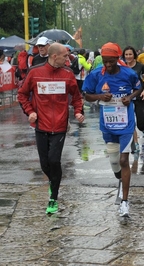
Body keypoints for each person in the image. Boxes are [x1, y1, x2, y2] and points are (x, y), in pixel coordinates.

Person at [18, 43, 85, 214]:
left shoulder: (68, 74)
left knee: (54, 160)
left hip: (60, 125)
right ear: (54, 56)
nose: (67, 59)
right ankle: (52, 181)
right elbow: (22, 94)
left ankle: (53, 199)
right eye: (65, 56)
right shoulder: (35, 72)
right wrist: (30, 112)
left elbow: (77, 97)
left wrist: (78, 112)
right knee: (45, 164)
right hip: (41, 124)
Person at [82, 42, 141, 217]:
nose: (108, 65)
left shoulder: (128, 74)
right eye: (105, 61)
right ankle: (120, 178)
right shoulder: (95, 75)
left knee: (124, 160)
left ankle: (125, 202)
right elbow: (87, 95)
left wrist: (129, 97)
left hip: (126, 124)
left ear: (118, 59)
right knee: (115, 162)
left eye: (111, 61)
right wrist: (100, 96)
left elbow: (138, 88)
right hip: (108, 124)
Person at [122, 46, 144, 158]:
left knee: (139, 124)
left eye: (130, 54)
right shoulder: (122, 67)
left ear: (134, 55)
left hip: (139, 97)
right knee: (131, 123)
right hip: (127, 98)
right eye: (126, 55)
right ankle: (135, 144)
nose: (128, 57)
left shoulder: (140, 66)